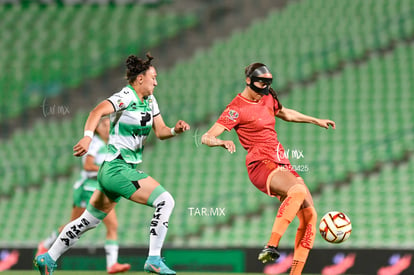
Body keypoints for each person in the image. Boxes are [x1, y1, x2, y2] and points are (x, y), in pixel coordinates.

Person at [34, 53, 190, 275]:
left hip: (114, 171)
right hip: (117, 168)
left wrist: (175, 129)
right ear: (139, 79)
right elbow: (97, 111)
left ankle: (48, 258)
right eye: (153, 77)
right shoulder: (126, 96)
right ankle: (154, 259)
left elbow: (161, 131)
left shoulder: (151, 101)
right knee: (165, 201)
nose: (156, 82)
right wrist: (88, 136)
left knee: (88, 221)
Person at [201, 62, 335, 275]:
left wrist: (315, 120)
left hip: (280, 161)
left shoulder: (268, 98)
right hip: (260, 164)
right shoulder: (236, 108)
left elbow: (286, 113)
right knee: (298, 191)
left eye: (267, 83)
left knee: (310, 215)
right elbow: (206, 136)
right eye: (260, 83)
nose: (264, 87)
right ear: (248, 80)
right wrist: (221, 142)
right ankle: (271, 245)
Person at [35, 117, 131, 274]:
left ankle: (45, 245)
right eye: (104, 125)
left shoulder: (110, 146)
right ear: (97, 128)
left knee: (75, 225)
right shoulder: (94, 143)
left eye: (109, 125)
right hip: (88, 187)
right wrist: (108, 170)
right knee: (104, 224)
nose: (107, 128)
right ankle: (111, 264)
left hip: (97, 188)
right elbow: (87, 166)